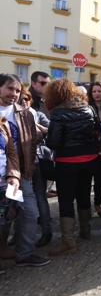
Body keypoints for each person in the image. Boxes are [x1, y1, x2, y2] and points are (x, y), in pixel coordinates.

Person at [45, 79, 100, 255]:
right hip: (89, 159)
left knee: (66, 200)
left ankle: (68, 242)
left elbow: (53, 142)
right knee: (84, 194)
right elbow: (97, 131)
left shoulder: (58, 113)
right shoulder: (88, 108)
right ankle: (86, 231)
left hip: (67, 162)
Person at [0, 74, 50, 266]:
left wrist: (28, 166)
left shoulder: (25, 113)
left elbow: (29, 142)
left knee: (28, 212)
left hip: (20, 175)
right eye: (10, 88)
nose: (14, 93)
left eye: (18, 90)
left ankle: (24, 254)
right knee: (4, 217)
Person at [20, 90, 53, 247]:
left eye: (27, 99)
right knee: (19, 201)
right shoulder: (11, 114)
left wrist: (35, 125)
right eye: (21, 100)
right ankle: (18, 235)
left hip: (36, 161)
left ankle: (46, 232)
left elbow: (50, 129)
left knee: (40, 196)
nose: (24, 102)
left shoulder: (37, 114)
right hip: (17, 164)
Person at [0, 102, 21, 271]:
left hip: (4, 180)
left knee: (7, 217)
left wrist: (13, 175)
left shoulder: (3, 122)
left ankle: (3, 248)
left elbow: (11, 152)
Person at [87, 82, 101, 218]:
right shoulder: (88, 107)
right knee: (88, 178)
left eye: (99, 91)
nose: (97, 94)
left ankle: (98, 203)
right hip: (91, 148)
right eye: (94, 91)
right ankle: (85, 207)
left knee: (100, 179)